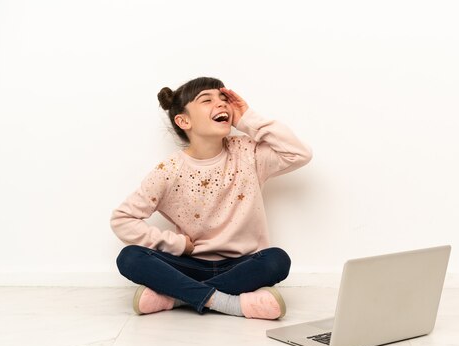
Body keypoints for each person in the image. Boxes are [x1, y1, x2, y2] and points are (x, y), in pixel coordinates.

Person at [110, 76, 312, 320]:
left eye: (224, 99)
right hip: (190, 264)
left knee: (277, 260)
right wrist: (176, 244)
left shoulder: (248, 153)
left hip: (243, 264)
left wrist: (247, 118)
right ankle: (230, 303)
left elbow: (299, 154)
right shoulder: (169, 171)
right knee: (130, 257)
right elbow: (123, 219)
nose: (222, 104)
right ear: (184, 120)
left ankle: (175, 297)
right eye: (207, 100)